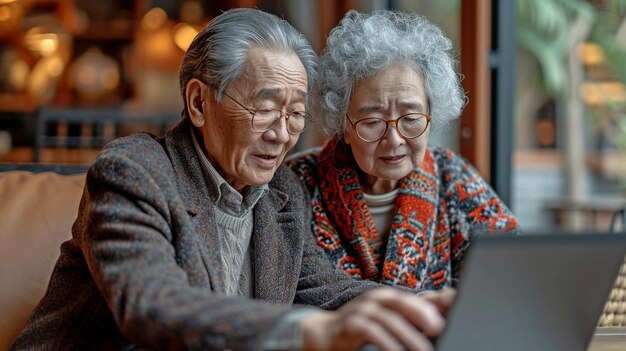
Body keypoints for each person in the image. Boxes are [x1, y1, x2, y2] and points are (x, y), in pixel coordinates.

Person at [10, 8, 455, 351]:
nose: (282, 134)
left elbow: (330, 290)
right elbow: (152, 306)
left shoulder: (281, 195)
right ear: (200, 103)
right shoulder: (135, 170)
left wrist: (423, 311)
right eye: (265, 109)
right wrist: (308, 332)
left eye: (296, 114)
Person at [287, 10, 519, 291]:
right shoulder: (297, 183)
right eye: (372, 122)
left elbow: (513, 268)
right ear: (343, 124)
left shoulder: (453, 177)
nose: (394, 139)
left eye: (411, 119)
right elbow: (299, 292)